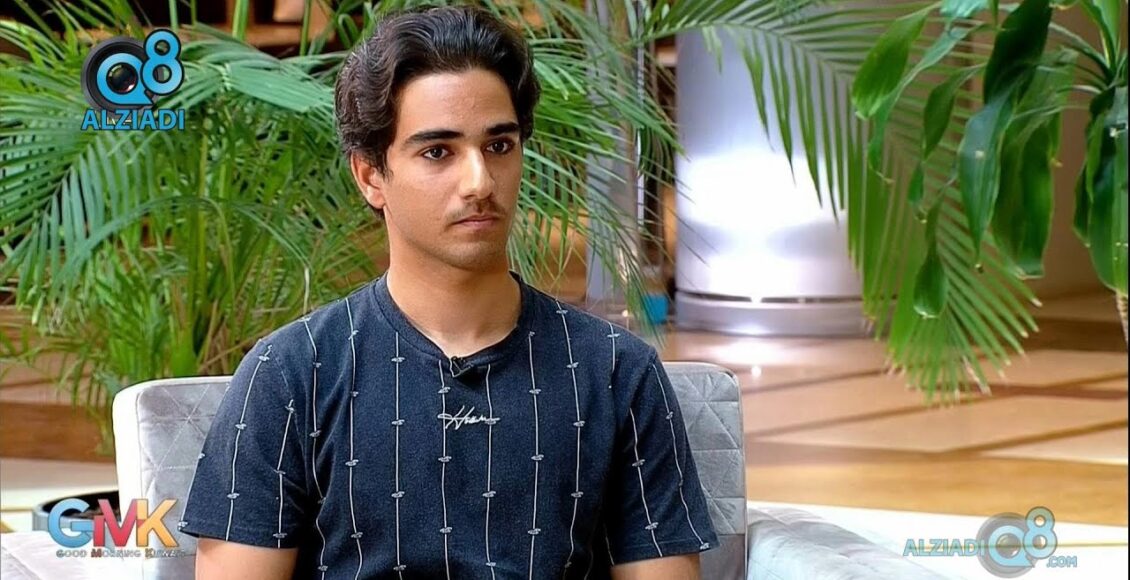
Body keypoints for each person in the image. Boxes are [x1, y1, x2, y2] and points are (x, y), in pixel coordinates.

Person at [179, 5, 717, 579]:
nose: (479, 182)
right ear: (370, 176)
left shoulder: (615, 372)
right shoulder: (294, 373)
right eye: (438, 152)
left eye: (499, 146)